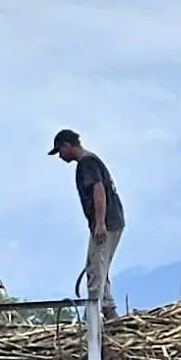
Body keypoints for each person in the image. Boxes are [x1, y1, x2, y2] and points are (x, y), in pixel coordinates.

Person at [49, 128, 124, 318]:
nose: (60, 156)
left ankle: (93, 319)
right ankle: (109, 310)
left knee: (95, 270)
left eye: (60, 151)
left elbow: (98, 190)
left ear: (67, 145)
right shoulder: (90, 161)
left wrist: (100, 223)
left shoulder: (87, 163)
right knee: (98, 266)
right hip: (112, 221)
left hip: (107, 223)